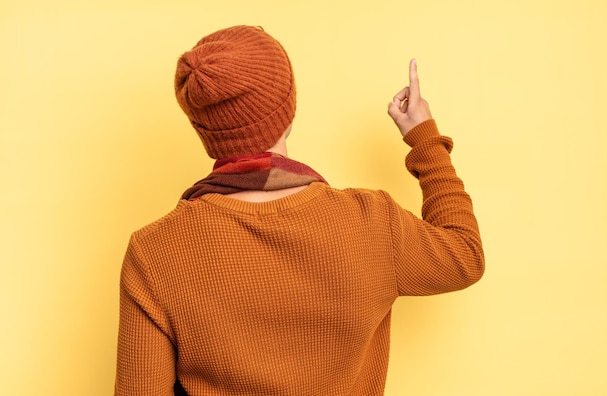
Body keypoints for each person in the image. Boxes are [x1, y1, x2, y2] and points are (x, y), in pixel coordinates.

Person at [114, 25, 484, 396]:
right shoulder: (372, 223)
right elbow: (465, 255)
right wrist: (425, 139)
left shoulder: (154, 251)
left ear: (202, 129)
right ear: (289, 111)